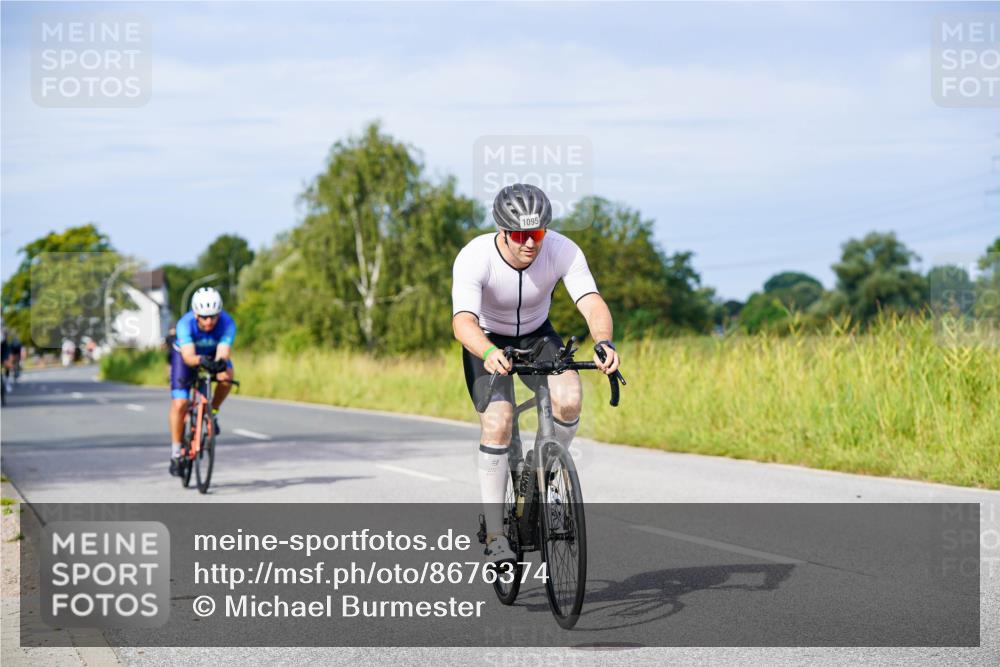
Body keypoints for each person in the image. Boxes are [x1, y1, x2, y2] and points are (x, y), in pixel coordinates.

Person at [451, 183, 621, 563]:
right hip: (487, 338)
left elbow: (591, 301)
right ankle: (496, 534)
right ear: (503, 231)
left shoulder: (562, 250)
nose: (531, 243)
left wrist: (605, 341)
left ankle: (544, 471)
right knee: (499, 422)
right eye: (521, 235)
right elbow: (463, 322)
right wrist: (489, 351)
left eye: (538, 233)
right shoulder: (474, 256)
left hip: (537, 333)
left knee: (570, 399)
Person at [168, 287, 237, 476]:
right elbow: (189, 356)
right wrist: (200, 361)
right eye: (204, 317)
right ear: (196, 314)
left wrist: (219, 364)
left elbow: (223, 352)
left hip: (212, 355)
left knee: (227, 377)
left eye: (213, 317)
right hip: (185, 357)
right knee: (180, 403)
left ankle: (212, 411)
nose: (209, 321)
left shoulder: (227, 323)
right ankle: (175, 452)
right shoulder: (185, 324)